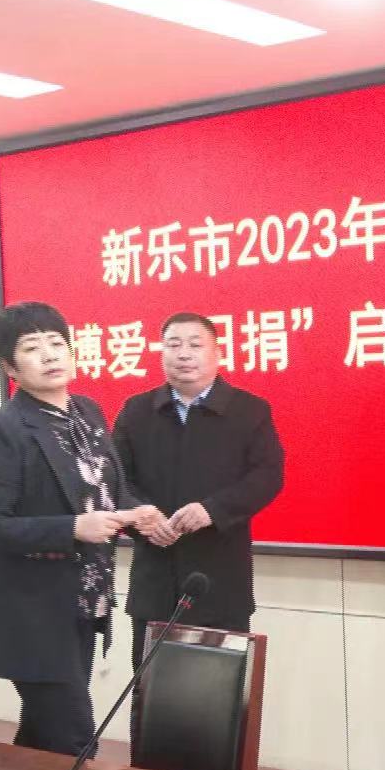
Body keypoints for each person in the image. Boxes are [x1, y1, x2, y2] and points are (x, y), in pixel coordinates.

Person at [0, 301, 140, 756]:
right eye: (31, 348)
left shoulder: (87, 413)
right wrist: (72, 528)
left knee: (43, 742)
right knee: (73, 742)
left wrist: (139, 513)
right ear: (9, 367)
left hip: (83, 605)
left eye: (57, 343)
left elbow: (103, 491)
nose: (49, 355)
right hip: (32, 612)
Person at [112, 313, 283, 736]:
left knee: (218, 703)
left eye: (195, 344)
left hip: (219, 581)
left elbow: (267, 477)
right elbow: (114, 480)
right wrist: (141, 516)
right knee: (152, 698)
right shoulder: (137, 411)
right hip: (155, 580)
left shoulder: (249, 411)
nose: (183, 354)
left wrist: (214, 510)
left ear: (217, 352)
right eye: (173, 344)